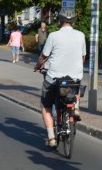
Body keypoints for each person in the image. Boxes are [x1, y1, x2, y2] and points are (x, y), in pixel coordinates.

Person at [34, 12, 86, 148]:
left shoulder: (53, 36)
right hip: (74, 78)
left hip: (55, 77)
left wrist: (38, 66)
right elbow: (83, 57)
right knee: (76, 84)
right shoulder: (81, 35)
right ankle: (76, 107)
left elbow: (43, 56)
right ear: (73, 21)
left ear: (60, 21)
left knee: (45, 105)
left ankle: (51, 137)